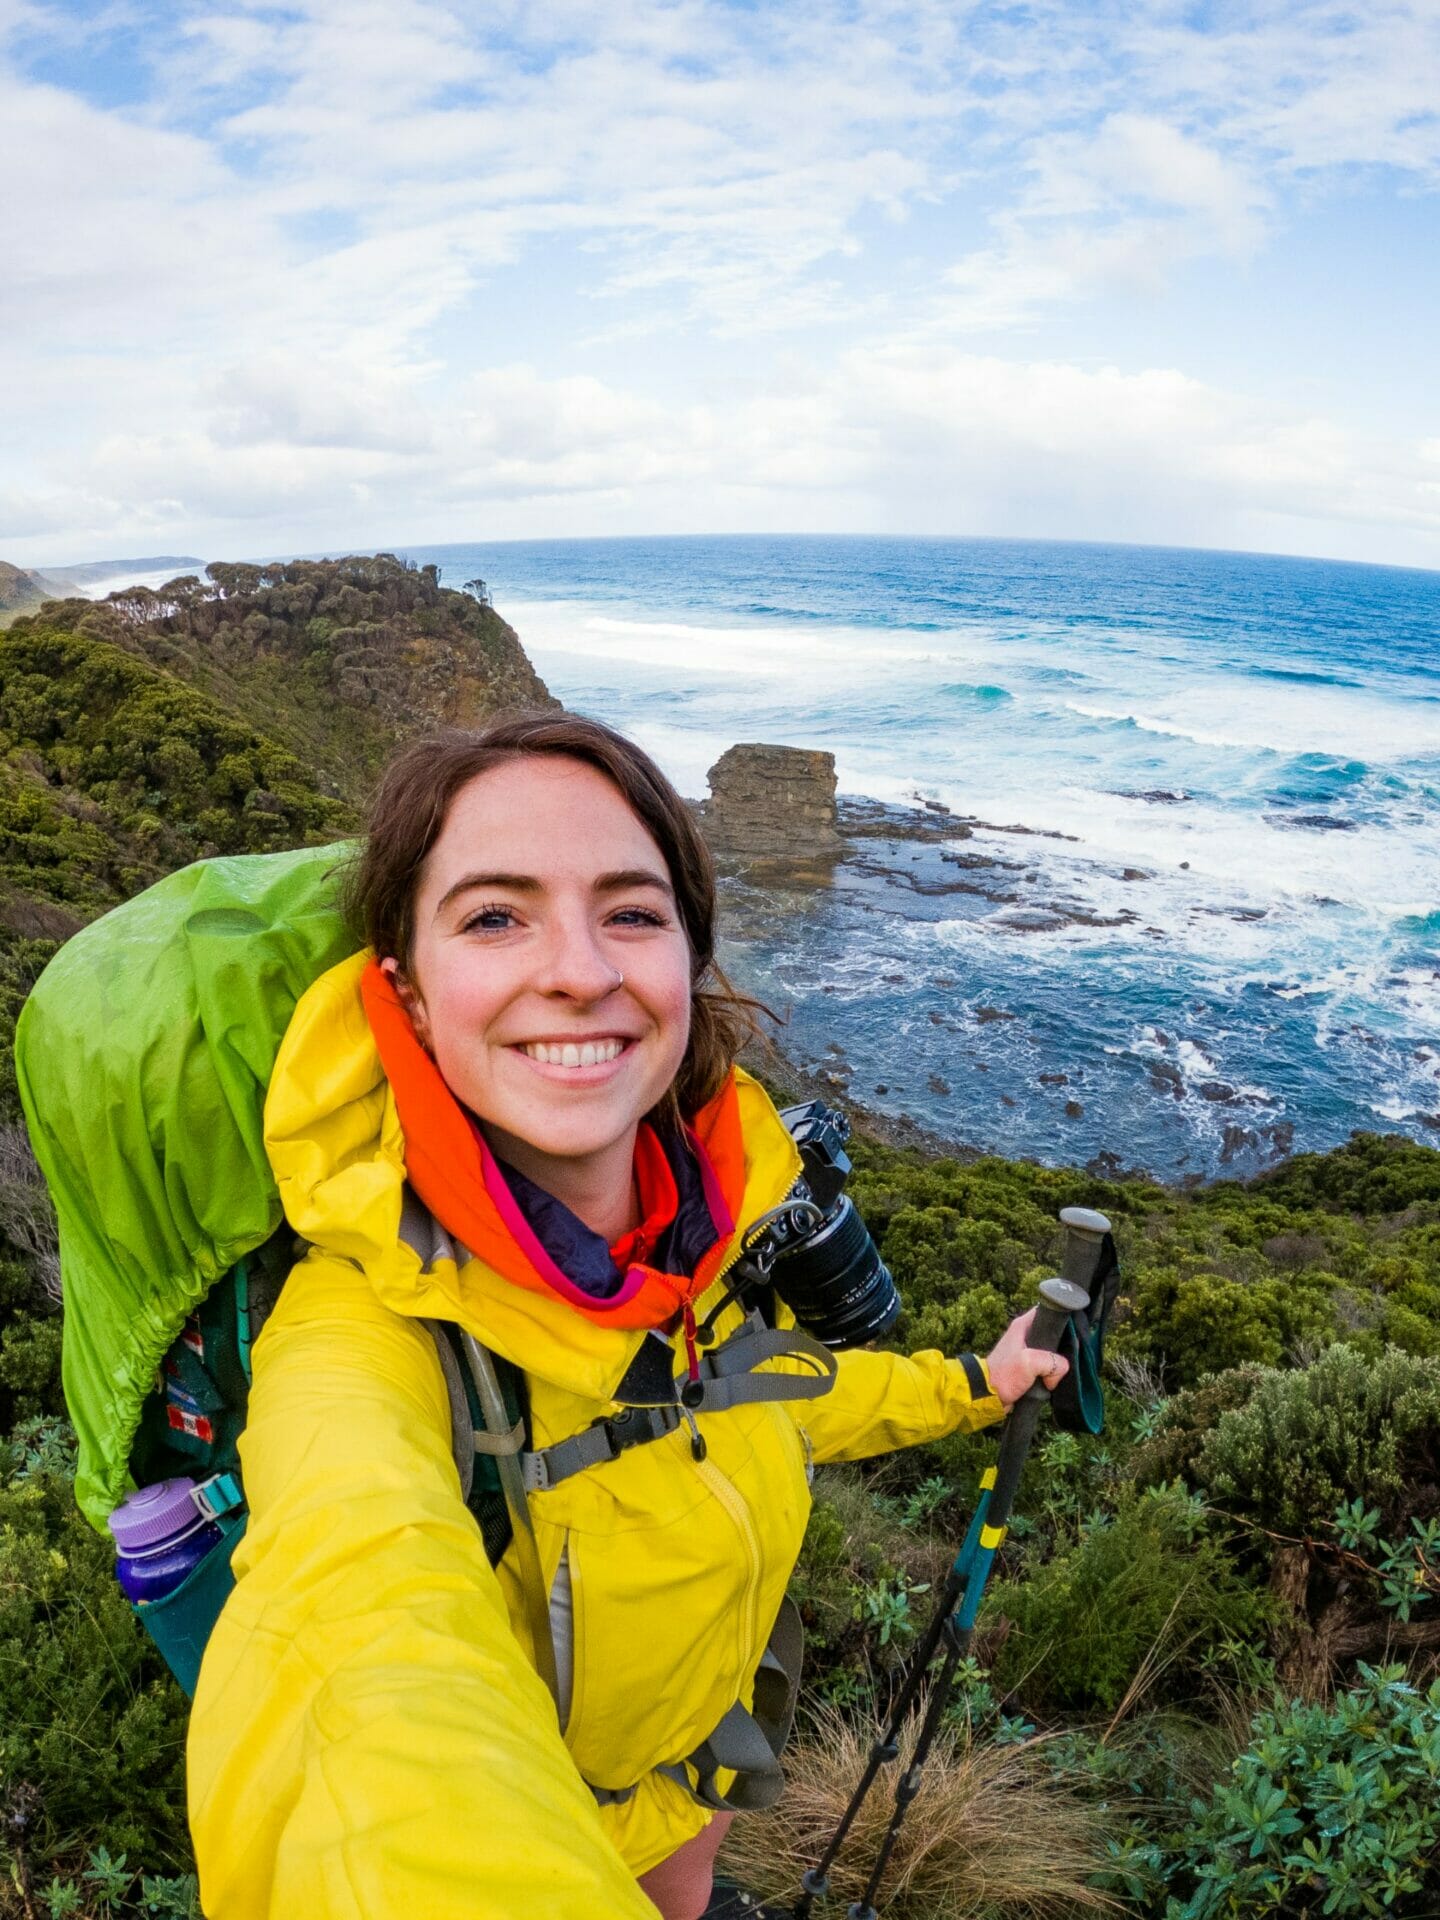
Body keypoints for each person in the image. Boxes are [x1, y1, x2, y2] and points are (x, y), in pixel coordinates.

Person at [185, 713, 1068, 1920]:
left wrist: (977, 1382)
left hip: (686, 1776)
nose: (583, 972)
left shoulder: (702, 1238)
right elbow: (356, 1667)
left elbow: (763, 1403)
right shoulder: (358, 1342)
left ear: (687, 964)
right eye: (495, 916)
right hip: (553, 1813)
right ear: (407, 993)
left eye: (633, 912)